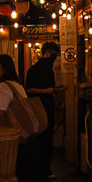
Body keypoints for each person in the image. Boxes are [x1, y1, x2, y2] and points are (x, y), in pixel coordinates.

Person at [0, 54, 45, 182]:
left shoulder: (3, 87)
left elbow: (0, 113)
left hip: (17, 142)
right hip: (29, 141)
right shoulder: (17, 85)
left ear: (3, 69)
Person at [24, 42, 60, 174]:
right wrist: (48, 91)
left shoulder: (47, 69)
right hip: (39, 107)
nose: (55, 57)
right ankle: (42, 169)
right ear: (47, 52)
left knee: (45, 138)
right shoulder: (35, 69)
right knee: (43, 138)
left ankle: (44, 168)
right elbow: (29, 89)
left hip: (46, 106)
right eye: (54, 53)